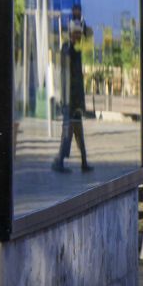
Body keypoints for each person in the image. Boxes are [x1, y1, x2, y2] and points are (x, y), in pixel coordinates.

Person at [52, 22, 91, 173]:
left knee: (78, 132)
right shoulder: (67, 48)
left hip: (76, 100)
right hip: (69, 99)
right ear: (71, 34)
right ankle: (60, 161)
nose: (79, 37)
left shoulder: (76, 49)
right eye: (76, 34)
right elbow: (68, 71)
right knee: (68, 132)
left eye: (80, 34)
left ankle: (83, 162)